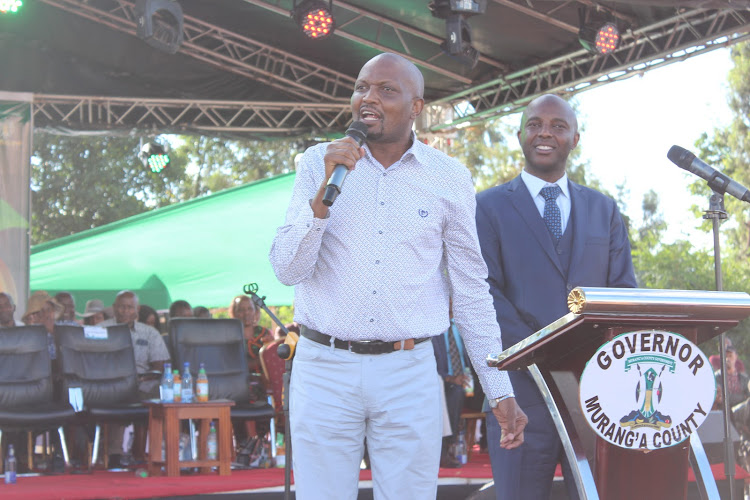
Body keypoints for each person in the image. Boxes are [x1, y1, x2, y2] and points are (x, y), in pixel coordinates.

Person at [269, 52, 526, 500]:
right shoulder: (318, 163)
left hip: (409, 372)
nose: (368, 97)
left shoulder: (449, 178)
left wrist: (498, 386)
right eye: (362, 86)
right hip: (324, 366)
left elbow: (470, 291)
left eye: (386, 90)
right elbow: (288, 269)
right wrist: (320, 202)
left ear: (416, 107)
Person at [475, 93, 637, 500]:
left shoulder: (604, 209)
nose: (545, 133)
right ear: (519, 136)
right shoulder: (487, 207)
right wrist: (541, 350)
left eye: (558, 126)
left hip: (595, 393)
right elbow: (481, 293)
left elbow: (622, 291)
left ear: (575, 139)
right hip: (519, 394)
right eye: (535, 125)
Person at [100, 290, 170, 466]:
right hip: (109, 382)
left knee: (162, 395)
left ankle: (157, 452)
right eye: (121, 307)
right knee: (116, 394)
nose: (125, 311)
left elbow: (159, 365)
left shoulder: (150, 333)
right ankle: (114, 454)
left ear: (137, 309)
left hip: (142, 383)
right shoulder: (100, 329)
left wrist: (143, 380)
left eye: (129, 307)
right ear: (114, 308)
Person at [432, 311, 473, 468]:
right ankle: (448, 445)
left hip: (470, 382)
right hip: (445, 382)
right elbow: (430, 364)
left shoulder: (463, 325)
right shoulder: (433, 328)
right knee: (454, 392)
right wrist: (450, 378)